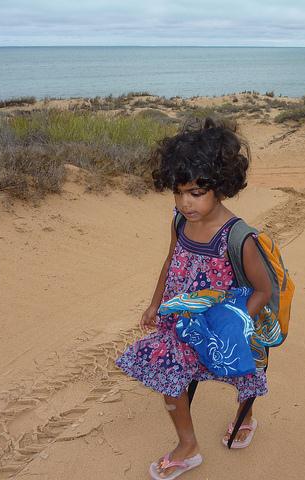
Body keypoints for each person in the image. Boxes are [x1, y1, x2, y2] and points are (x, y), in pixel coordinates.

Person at [116, 118, 272, 479]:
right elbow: (171, 261)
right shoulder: (180, 221)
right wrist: (155, 302)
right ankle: (188, 446)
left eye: (196, 193)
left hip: (227, 322)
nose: (185, 202)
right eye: (178, 192)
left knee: (238, 373)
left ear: (220, 187)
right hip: (182, 321)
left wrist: (231, 326)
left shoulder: (239, 237)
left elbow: (263, 289)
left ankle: (245, 414)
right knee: (169, 374)